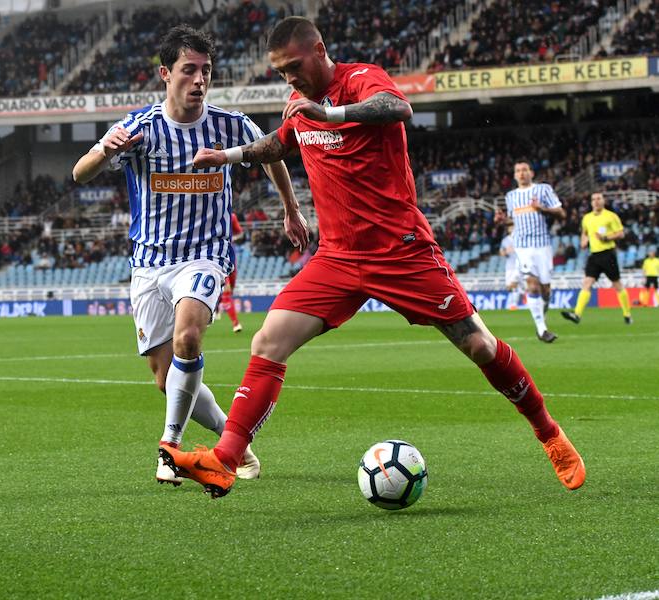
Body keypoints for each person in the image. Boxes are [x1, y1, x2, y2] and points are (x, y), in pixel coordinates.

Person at [159, 16, 585, 498]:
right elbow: (281, 142)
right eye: (280, 72)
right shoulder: (297, 103)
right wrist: (231, 156)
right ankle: (226, 460)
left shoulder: (362, 79)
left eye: (294, 66)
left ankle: (549, 433)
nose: (290, 78)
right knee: (268, 342)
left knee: (480, 347)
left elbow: (396, 107)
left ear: (320, 50)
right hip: (337, 258)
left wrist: (333, 116)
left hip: (400, 252)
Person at [72, 25, 310, 486]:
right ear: (166, 74)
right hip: (148, 264)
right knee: (166, 379)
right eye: (189, 70)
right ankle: (232, 442)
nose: (199, 80)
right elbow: (80, 174)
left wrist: (291, 209)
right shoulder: (139, 128)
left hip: (204, 256)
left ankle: (169, 447)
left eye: (206, 70)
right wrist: (106, 151)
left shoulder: (229, 124)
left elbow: (273, 153)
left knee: (189, 337)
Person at [504, 160, 566, 342]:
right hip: (522, 246)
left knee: (546, 290)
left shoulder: (543, 190)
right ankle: (541, 329)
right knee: (532, 284)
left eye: (524, 170)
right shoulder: (511, 196)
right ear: (514, 175)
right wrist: (502, 221)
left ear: (531, 172)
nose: (521, 173)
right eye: (518, 171)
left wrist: (542, 209)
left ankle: (542, 317)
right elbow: (512, 220)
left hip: (543, 245)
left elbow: (561, 213)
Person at [561, 192, 632, 325]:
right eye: (593, 199)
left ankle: (627, 314)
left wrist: (606, 238)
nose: (596, 201)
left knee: (617, 285)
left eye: (599, 198)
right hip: (594, 255)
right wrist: (583, 242)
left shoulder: (611, 216)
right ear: (591, 202)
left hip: (608, 253)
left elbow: (621, 233)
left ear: (603, 201)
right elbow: (584, 233)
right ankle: (577, 314)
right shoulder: (587, 218)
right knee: (587, 283)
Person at [217, 212, 245, 332]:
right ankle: (236, 323)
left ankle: (217, 307)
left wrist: (232, 238)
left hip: (231, 257)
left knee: (230, 289)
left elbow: (240, 233)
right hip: (217, 258)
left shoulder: (232, 216)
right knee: (227, 290)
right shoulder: (209, 214)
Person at [498, 223, 524, 310]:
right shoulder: (505, 240)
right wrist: (506, 251)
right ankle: (520, 299)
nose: (511, 228)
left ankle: (514, 305)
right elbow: (501, 253)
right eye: (510, 227)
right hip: (509, 265)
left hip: (519, 264)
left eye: (513, 227)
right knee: (509, 286)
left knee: (514, 283)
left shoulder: (520, 238)